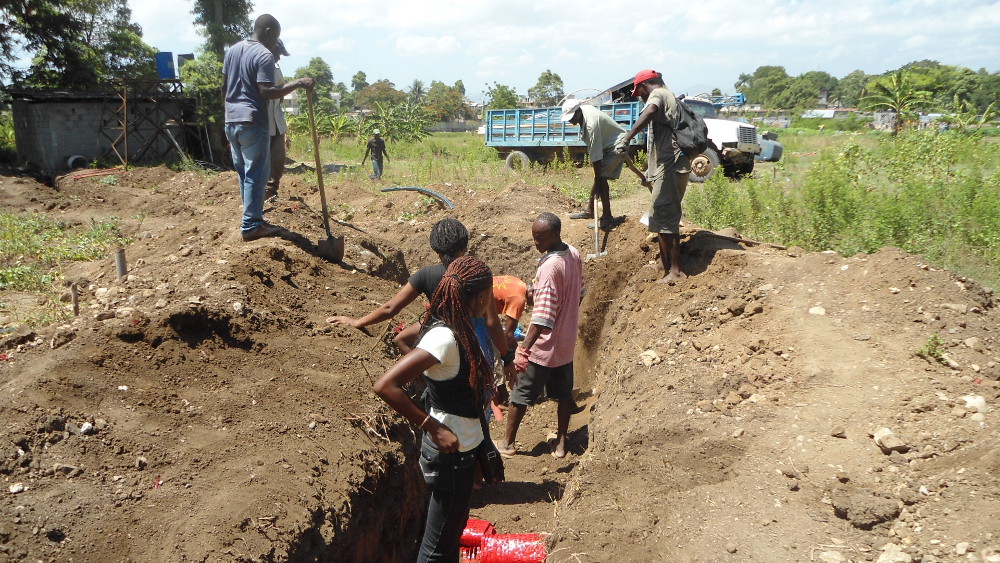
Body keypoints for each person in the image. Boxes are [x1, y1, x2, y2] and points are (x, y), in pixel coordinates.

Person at [373, 256, 496, 562]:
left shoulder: (457, 325)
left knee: (449, 537)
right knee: (436, 548)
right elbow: (386, 385)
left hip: (462, 452)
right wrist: (434, 427)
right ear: (481, 296)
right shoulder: (444, 337)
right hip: (449, 457)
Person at [327, 218, 507, 365]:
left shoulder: (426, 275)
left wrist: (357, 322)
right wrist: (507, 356)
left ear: (434, 247)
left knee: (401, 340)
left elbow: (390, 308)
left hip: (436, 332)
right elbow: (492, 323)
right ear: (465, 247)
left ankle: (422, 379)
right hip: (472, 338)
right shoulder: (478, 274)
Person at [495, 213, 583, 459]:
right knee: (564, 394)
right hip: (565, 343)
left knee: (520, 395)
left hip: (544, 347)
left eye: (541, 238)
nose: (536, 243)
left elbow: (542, 318)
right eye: (534, 238)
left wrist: (524, 349)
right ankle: (561, 444)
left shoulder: (549, 267)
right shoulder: (573, 254)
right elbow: (579, 291)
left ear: (556, 234)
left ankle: (508, 444)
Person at [223, 14, 314, 242]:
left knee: (244, 172)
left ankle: (250, 217)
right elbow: (265, 92)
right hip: (252, 120)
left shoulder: (232, 51)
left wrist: (229, 115)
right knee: (257, 173)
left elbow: (223, 89)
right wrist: (298, 83)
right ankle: (252, 224)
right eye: (276, 37)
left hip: (231, 120)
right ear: (267, 31)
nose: (276, 42)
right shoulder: (263, 54)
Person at [616, 69, 690, 282]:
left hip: (671, 168)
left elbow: (648, 112)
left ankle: (675, 271)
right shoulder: (668, 96)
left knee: (667, 218)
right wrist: (650, 172)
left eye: (639, 93)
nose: (640, 98)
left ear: (643, 86)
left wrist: (627, 137)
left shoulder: (658, 94)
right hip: (666, 167)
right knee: (658, 214)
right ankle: (664, 264)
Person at [561, 99, 628, 231]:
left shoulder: (591, 124)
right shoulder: (583, 113)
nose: (570, 121)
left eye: (571, 117)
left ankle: (607, 218)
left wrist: (597, 179)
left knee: (601, 179)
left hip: (616, 146)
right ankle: (591, 210)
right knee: (598, 178)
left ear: (578, 112)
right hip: (606, 145)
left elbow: (596, 157)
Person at [264, 39, 290, 203]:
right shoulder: (259, 67)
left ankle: (272, 191)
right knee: (262, 161)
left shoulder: (276, 67)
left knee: (278, 158)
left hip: (277, 121)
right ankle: (262, 195)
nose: (279, 58)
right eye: (277, 54)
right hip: (263, 121)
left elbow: (280, 94)